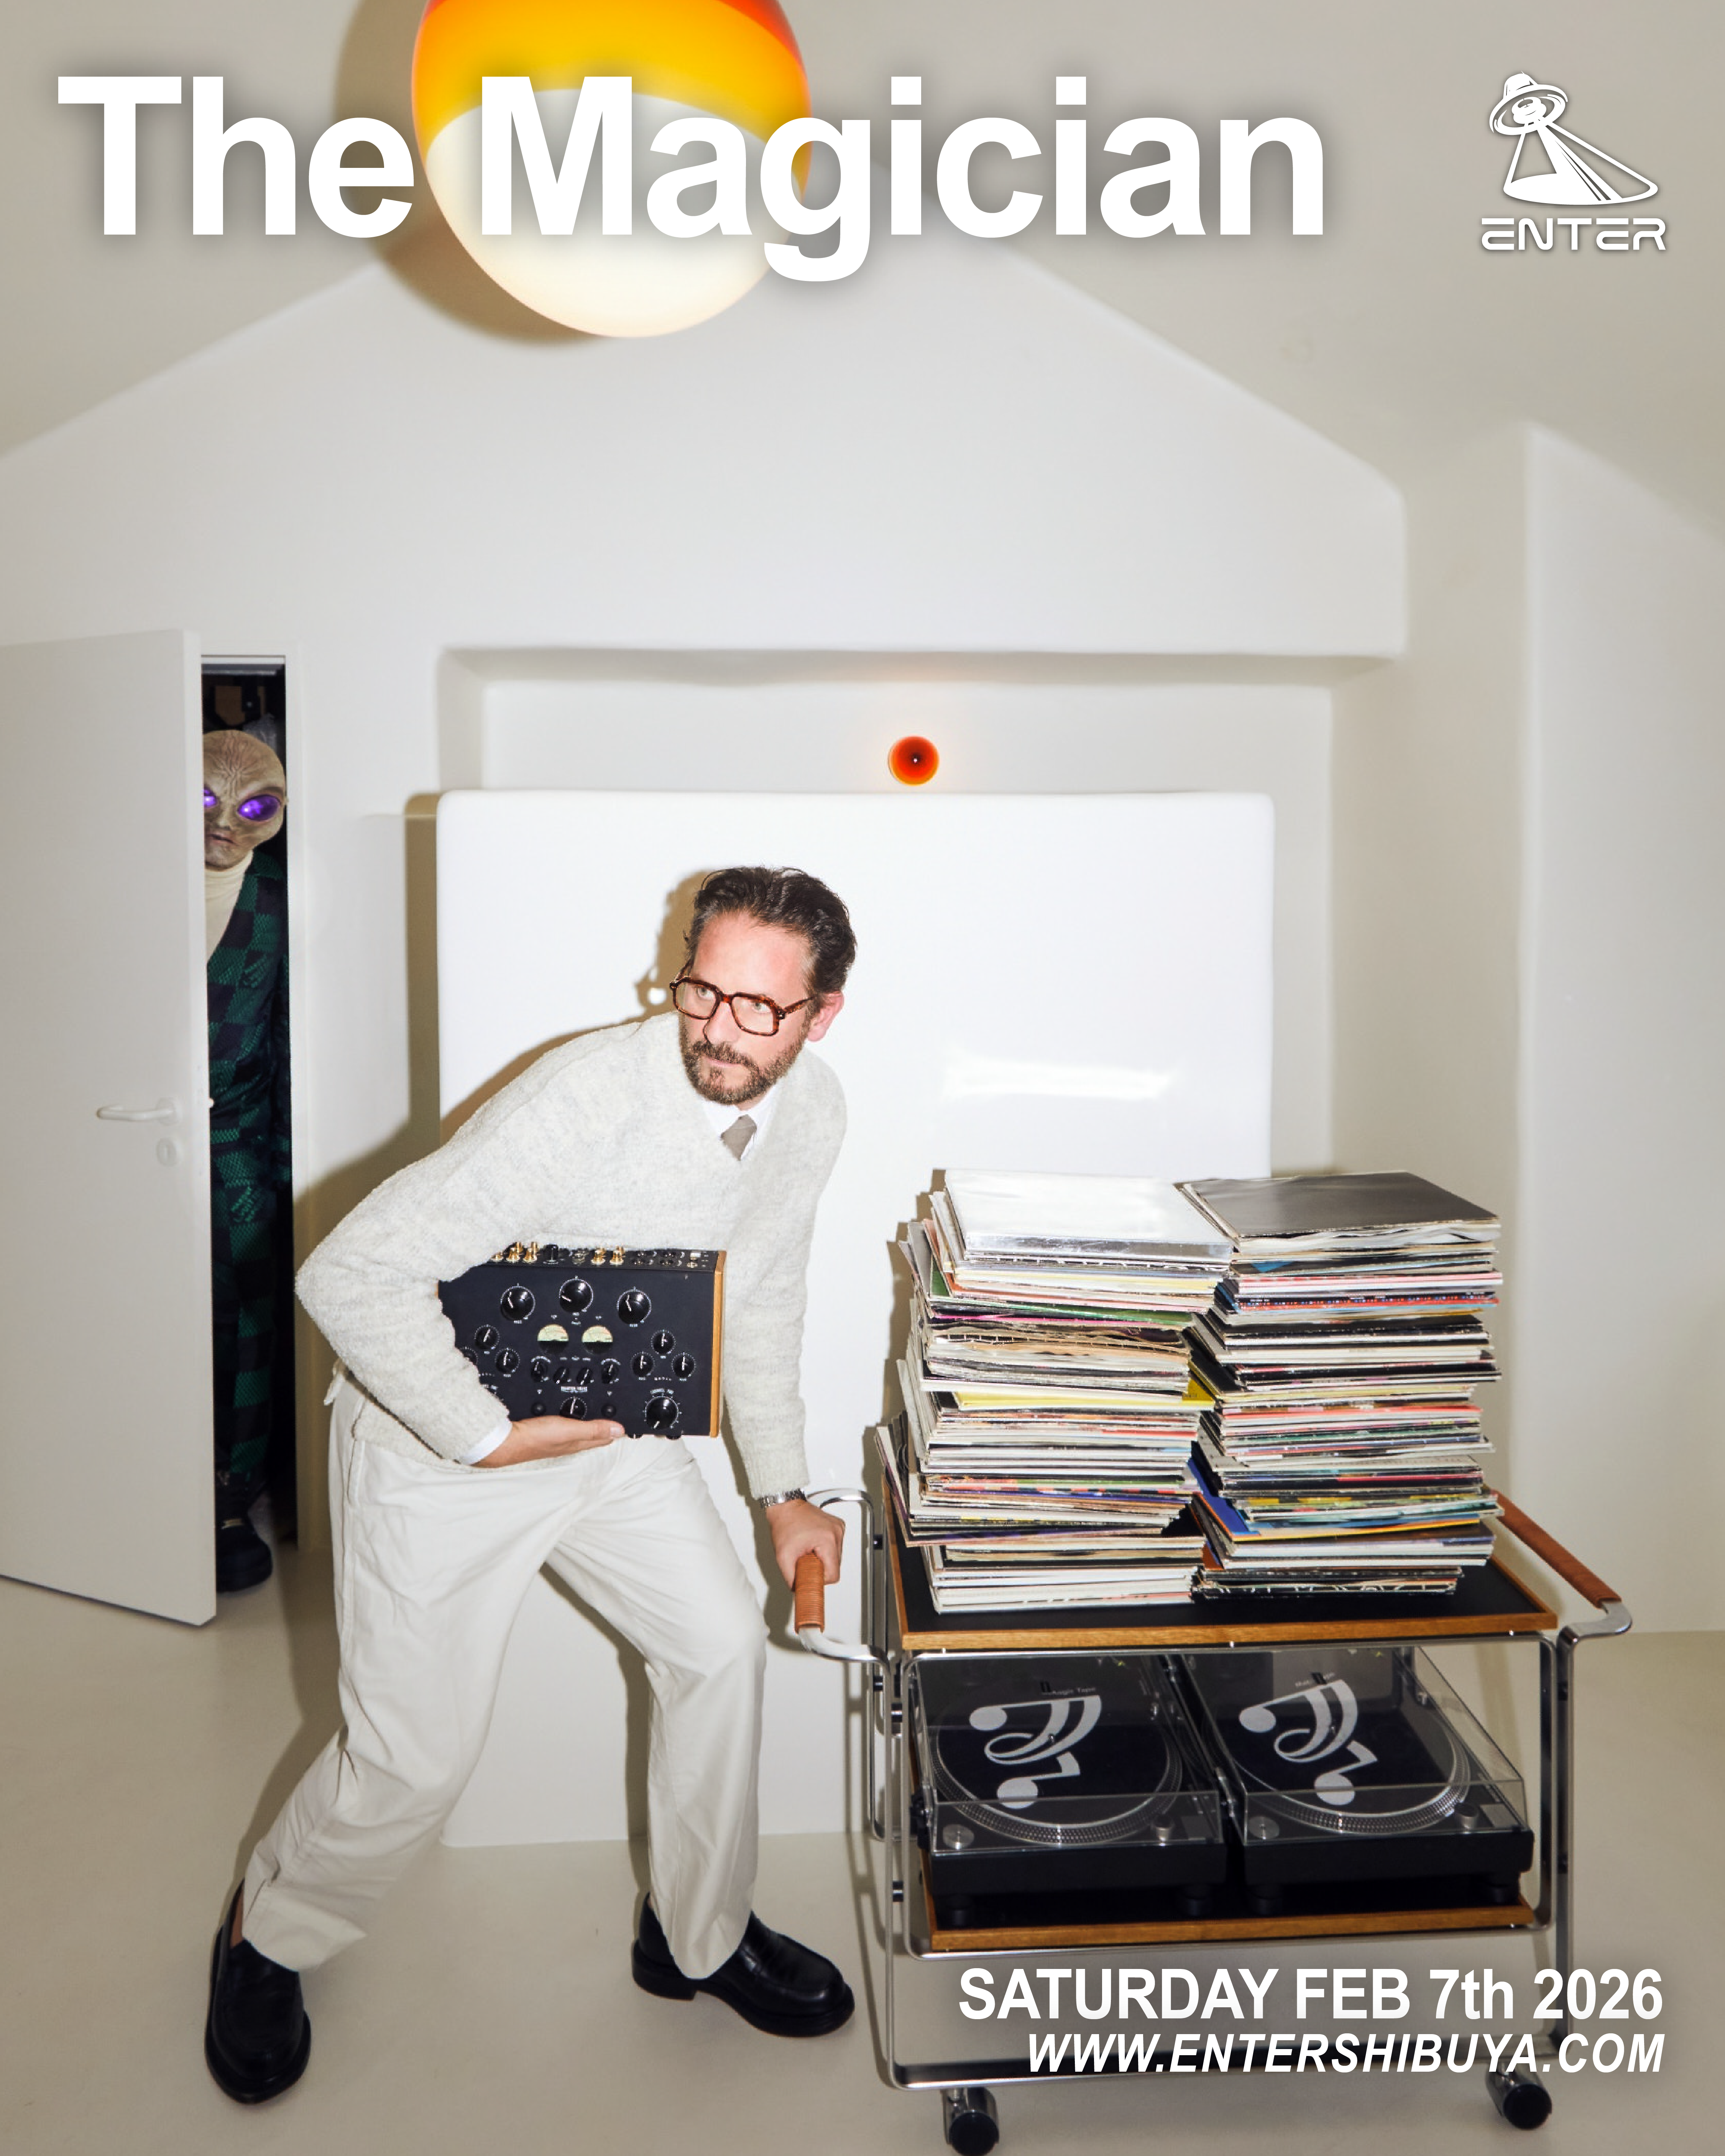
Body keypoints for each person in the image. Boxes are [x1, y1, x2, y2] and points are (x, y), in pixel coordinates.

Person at [204, 866, 858, 2103]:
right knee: (413, 1761)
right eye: (702, 990)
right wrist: (481, 1437)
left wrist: (782, 1490)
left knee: (720, 1649)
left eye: (760, 1009)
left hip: (611, 1435)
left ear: (821, 1015)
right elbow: (350, 1274)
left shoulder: (814, 1112)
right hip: (439, 1453)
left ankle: (698, 1934)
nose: (717, 1030)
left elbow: (762, 1300)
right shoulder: (585, 1095)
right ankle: (266, 1934)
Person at [203, 732, 291, 1593]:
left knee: (247, 1318)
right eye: (204, 800)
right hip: (121, 1136)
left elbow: (288, 1038)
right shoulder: (115, 878)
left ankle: (230, 1495)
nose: (225, 823)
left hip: (237, 1140)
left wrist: (286, 1170)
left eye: (254, 808)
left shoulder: (279, 899)